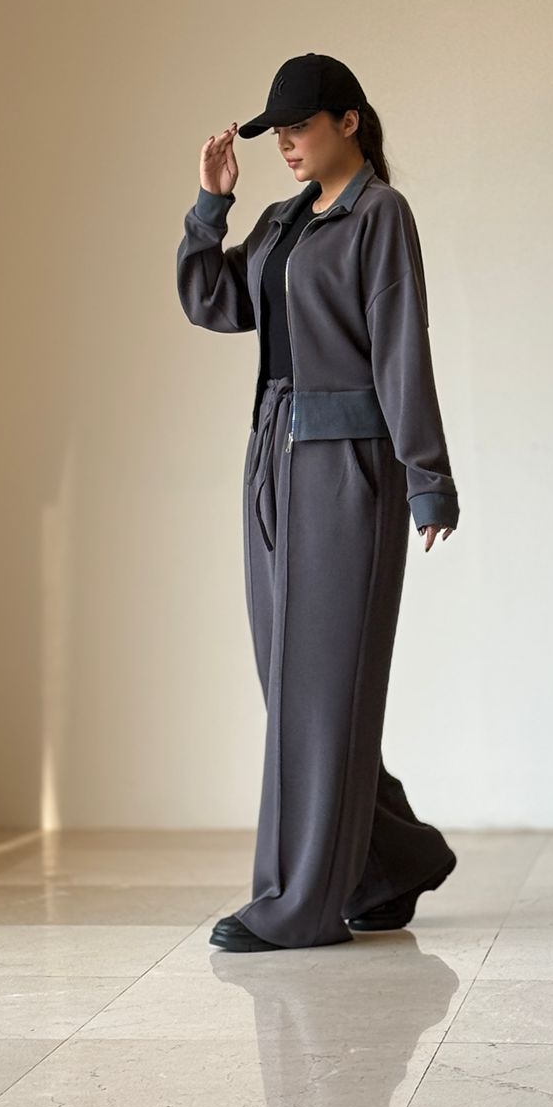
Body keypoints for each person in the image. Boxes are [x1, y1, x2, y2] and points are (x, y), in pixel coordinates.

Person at [176, 53, 460, 952]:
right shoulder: (280, 222)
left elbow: (401, 348)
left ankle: (295, 903)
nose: (287, 144)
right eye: (278, 132)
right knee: (295, 687)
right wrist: (211, 205)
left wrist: (427, 477)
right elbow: (213, 302)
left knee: (320, 691)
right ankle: (396, 858)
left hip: (348, 468)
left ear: (348, 121)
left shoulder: (381, 216)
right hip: (272, 457)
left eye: (300, 126)